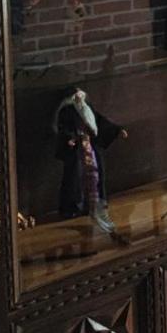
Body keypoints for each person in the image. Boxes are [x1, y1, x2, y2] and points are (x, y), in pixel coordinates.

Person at [54, 87, 127, 234]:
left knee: (96, 176)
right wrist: (69, 138)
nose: (79, 98)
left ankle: (93, 205)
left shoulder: (88, 108)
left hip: (90, 147)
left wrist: (117, 130)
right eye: (76, 96)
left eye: (81, 95)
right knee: (76, 178)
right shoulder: (67, 111)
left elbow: (100, 121)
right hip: (77, 150)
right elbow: (63, 127)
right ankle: (74, 207)